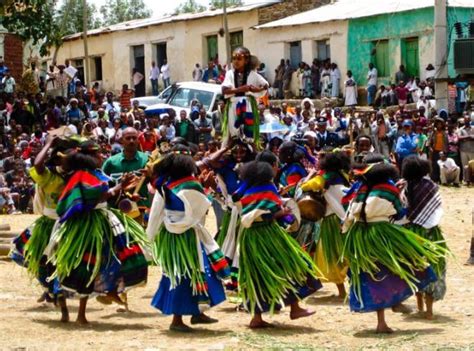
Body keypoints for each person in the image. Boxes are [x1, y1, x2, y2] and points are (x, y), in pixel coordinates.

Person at [45, 140, 149, 324]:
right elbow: (93, 199)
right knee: (83, 265)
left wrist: (124, 191)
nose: (101, 156)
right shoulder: (80, 176)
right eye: (97, 154)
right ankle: (72, 309)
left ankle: (105, 295)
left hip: (104, 221)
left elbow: (107, 196)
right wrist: (117, 187)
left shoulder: (95, 174)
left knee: (107, 260)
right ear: (88, 157)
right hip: (85, 225)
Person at [341, 154, 446, 333]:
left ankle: (381, 320)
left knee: (372, 274)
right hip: (383, 234)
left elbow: (349, 213)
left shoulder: (360, 188)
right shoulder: (388, 188)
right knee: (404, 265)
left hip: (360, 236)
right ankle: (398, 301)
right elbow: (399, 213)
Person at [147, 145, 230, 332]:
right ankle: (177, 320)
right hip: (187, 238)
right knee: (186, 274)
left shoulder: (165, 186)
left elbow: (155, 215)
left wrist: (149, 239)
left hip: (172, 237)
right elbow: (198, 212)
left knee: (184, 273)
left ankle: (196, 313)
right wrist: (206, 189)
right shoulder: (190, 186)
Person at [234, 160, 321, 328]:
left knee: (256, 274)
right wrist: (285, 212)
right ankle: (295, 308)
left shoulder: (245, 191)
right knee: (290, 265)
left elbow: (249, 212)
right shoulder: (268, 188)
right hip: (268, 235)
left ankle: (256, 317)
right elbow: (269, 214)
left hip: (249, 237)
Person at [10, 135, 77, 318]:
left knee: (56, 261)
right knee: (21, 253)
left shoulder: (75, 177)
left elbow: (39, 165)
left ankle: (56, 290)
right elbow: (38, 165)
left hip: (65, 225)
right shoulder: (54, 176)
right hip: (48, 224)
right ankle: (52, 288)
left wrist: (49, 144)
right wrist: (48, 144)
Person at [401, 156, 449, 320]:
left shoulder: (404, 187)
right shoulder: (431, 187)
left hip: (411, 233)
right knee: (433, 267)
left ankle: (420, 306)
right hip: (430, 233)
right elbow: (437, 209)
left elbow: (403, 210)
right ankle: (429, 311)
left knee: (415, 268)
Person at [300, 152, 351, 298]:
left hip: (331, 221)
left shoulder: (324, 178)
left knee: (332, 255)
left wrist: (311, 175)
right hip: (345, 216)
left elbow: (305, 187)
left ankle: (342, 291)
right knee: (346, 253)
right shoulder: (343, 176)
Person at [221, 46, 268, 145]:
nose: (236, 61)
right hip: (233, 105)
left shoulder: (253, 74)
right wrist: (241, 89)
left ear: (246, 61)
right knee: (233, 133)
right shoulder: (229, 74)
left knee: (249, 135)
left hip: (248, 106)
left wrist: (255, 89)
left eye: (239, 59)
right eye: (234, 59)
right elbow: (224, 90)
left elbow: (265, 85)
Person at [458, 113, 474, 184]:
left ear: (470, 120)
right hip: (463, 150)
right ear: (464, 121)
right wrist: (469, 137)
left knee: (472, 165)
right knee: (465, 165)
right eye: (465, 120)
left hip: (472, 150)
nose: (466, 121)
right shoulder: (461, 129)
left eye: (468, 120)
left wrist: (466, 138)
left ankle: (472, 180)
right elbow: (459, 138)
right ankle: (466, 180)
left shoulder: (473, 128)